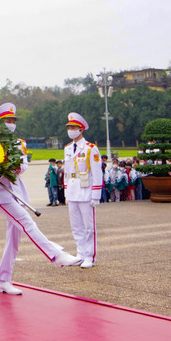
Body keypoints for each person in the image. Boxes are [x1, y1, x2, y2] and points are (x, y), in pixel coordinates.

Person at [0, 103, 82, 296]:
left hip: (17, 191)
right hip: (1, 192)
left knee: (13, 240)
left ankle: (3, 280)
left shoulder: (18, 143)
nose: (11, 124)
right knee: (26, 222)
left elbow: (23, 166)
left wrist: (14, 167)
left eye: (13, 121)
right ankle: (56, 255)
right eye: (7, 121)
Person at [63, 112, 103, 269]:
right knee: (76, 226)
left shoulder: (90, 149)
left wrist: (96, 195)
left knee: (88, 227)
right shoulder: (67, 148)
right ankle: (80, 253)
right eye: (69, 127)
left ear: (81, 130)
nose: (71, 130)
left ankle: (89, 256)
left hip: (86, 190)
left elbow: (97, 173)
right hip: (73, 191)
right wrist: (66, 192)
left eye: (74, 127)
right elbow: (67, 172)